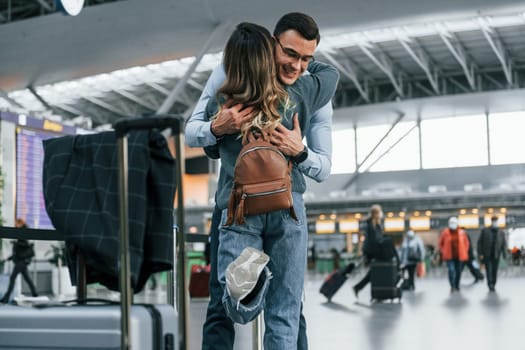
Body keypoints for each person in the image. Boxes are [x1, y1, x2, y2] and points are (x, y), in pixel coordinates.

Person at [187, 12, 337, 350]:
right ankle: (267, 278)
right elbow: (333, 74)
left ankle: (257, 278)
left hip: (239, 207)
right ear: (271, 47)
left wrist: (220, 130)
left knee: (232, 302)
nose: (298, 65)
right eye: (291, 54)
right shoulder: (302, 92)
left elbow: (205, 145)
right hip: (285, 206)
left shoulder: (227, 96)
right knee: (285, 310)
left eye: (306, 58)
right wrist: (217, 128)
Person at [352, 204, 399, 298]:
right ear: (376, 213)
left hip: (373, 252)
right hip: (372, 253)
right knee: (375, 272)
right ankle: (362, 288)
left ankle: (358, 287)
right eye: (380, 212)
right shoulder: (371, 225)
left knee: (373, 273)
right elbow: (374, 241)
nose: (381, 214)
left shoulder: (375, 224)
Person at [0, 218, 38, 303]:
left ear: (20, 223)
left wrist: (15, 243)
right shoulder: (20, 231)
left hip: (21, 261)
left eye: (16, 223)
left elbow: (25, 244)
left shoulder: (23, 231)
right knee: (27, 279)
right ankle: (35, 294)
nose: (15, 225)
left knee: (12, 278)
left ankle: (6, 298)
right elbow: (19, 250)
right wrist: (9, 258)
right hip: (21, 260)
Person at [439, 217, 470, 293]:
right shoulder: (445, 233)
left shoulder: (462, 233)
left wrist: (465, 251)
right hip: (449, 256)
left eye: (454, 223)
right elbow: (441, 243)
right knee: (451, 270)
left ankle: (457, 284)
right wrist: (443, 251)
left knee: (458, 271)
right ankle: (452, 286)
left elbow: (466, 243)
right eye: (451, 223)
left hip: (460, 256)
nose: (453, 225)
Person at [477, 215, 507, 292]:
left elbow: (503, 244)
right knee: (489, 270)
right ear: (491, 221)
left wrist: (504, 253)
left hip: (496, 254)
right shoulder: (485, 231)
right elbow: (480, 243)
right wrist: (480, 253)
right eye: (494, 221)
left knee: (494, 270)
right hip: (487, 255)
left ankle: (493, 282)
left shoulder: (501, 232)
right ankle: (490, 284)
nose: (495, 222)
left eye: (496, 221)